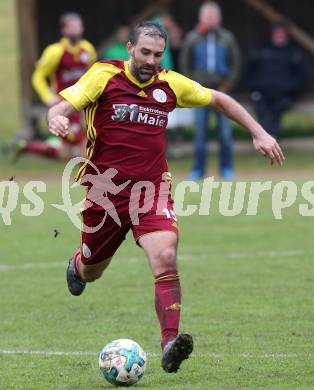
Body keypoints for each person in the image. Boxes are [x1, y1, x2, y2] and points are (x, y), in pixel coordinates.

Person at [47, 21, 284, 374]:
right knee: (93, 270)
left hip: (151, 191)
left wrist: (258, 131)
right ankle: (78, 266)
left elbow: (218, 99)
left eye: (157, 54)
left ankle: (170, 342)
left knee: (166, 254)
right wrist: (57, 119)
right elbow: (62, 106)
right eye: (144, 52)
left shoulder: (170, 83)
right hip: (105, 194)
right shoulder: (103, 76)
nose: (150, 60)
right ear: (129, 48)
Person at [16, 12, 96, 160]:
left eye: (78, 26)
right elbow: (38, 76)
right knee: (83, 148)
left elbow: (92, 74)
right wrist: (48, 97)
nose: (76, 30)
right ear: (64, 30)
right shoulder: (55, 51)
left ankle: (26, 146)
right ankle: (93, 179)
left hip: (81, 102)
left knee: (63, 154)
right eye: (72, 27)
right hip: (64, 103)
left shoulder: (88, 49)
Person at [180, 1, 242, 179]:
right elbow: (185, 64)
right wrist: (193, 86)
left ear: (219, 18)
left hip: (222, 91)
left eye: (213, 16)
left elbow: (235, 63)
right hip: (200, 92)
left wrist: (228, 84)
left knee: (225, 133)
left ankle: (227, 170)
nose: (210, 19)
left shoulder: (227, 38)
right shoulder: (192, 38)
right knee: (200, 134)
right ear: (201, 17)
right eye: (207, 16)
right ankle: (198, 170)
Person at [246, 22, 305, 138]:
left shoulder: (293, 53)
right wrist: (254, 88)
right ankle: (262, 137)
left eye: (282, 34)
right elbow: (249, 72)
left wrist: (292, 91)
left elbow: (301, 77)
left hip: (283, 95)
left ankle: (271, 137)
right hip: (262, 94)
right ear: (272, 34)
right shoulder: (261, 50)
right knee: (261, 108)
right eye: (277, 34)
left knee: (277, 109)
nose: (279, 36)